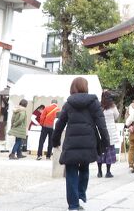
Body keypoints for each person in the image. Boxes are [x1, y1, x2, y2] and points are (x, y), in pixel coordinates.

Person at [52, 77, 109, 211]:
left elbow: (60, 124)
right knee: (84, 167)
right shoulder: (94, 103)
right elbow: (102, 124)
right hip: (88, 142)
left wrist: (55, 140)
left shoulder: (68, 104)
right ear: (85, 87)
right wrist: (105, 141)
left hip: (71, 142)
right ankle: (81, 193)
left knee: (71, 172)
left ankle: (73, 205)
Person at [97, 91, 119, 178]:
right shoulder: (113, 107)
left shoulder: (99, 107)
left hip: (101, 131)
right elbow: (116, 116)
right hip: (110, 132)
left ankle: (99, 172)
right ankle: (108, 172)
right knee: (109, 151)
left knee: (100, 151)